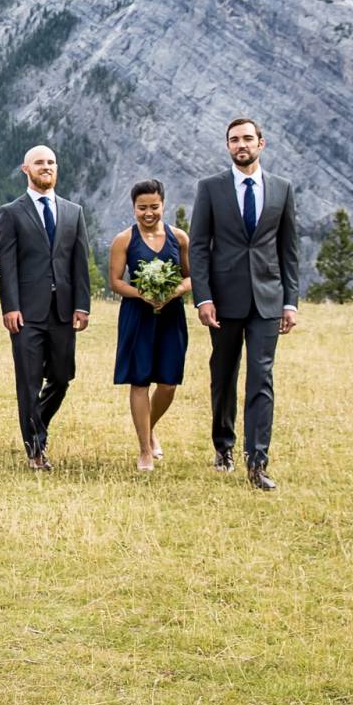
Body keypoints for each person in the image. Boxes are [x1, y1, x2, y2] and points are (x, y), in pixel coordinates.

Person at [189, 117, 300, 491]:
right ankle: (224, 446)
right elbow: (199, 248)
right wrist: (203, 297)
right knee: (223, 377)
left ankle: (258, 461)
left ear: (261, 144)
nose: (242, 145)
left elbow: (289, 251)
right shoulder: (211, 189)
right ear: (227, 146)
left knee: (261, 378)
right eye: (234, 140)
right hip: (222, 302)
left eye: (248, 139)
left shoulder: (282, 190)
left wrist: (291, 302)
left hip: (267, 300)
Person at [0, 145, 91, 470]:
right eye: (39, 162)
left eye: (50, 162)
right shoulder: (11, 212)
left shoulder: (73, 212)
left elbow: (79, 263)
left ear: (56, 168)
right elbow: (6, 264)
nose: (46, 167)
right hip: (26, 313)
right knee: (29, 382)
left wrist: (82, 305)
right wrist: (10, 306)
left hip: (63, 311)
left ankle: (39, 425)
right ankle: (35, 450)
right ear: (26, 169)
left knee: (62, 378)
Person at [108, 179, 191, 472]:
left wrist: (173, 292)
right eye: (142, 208)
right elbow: (116, 281)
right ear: (133, 208)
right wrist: (142, 294)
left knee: (168, 383)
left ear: (163, 205)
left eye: (154, 207)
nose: (148, 213)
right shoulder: (124, 240)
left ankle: (149, 427)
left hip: (171, 316)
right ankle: (144, 448)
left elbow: (191, 276)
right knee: (140, 380)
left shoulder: (178, 237)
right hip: (137, 316)